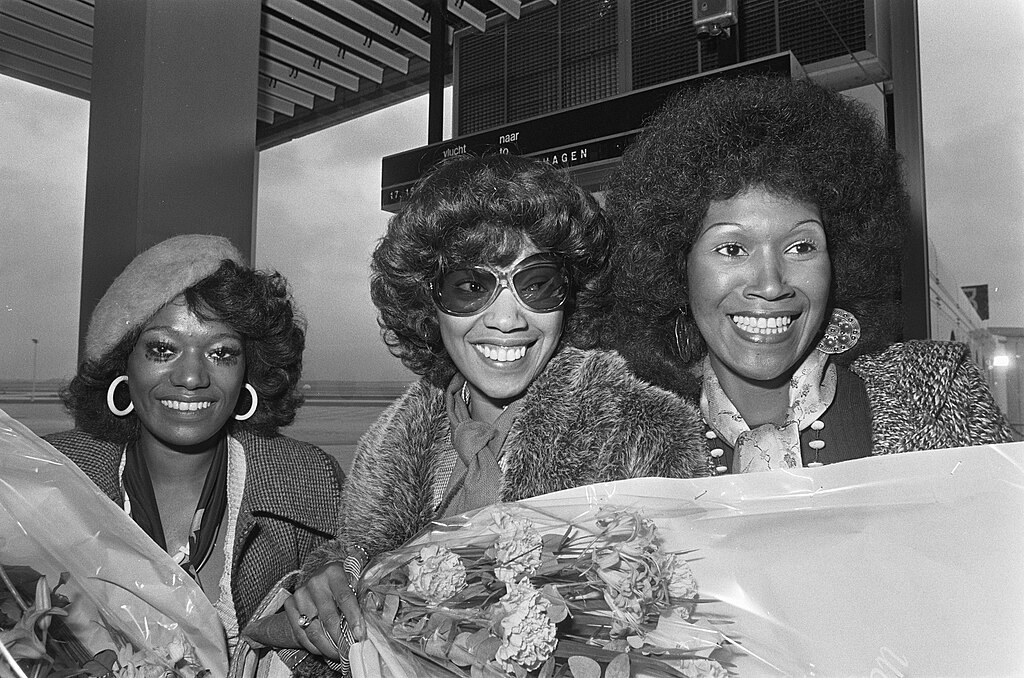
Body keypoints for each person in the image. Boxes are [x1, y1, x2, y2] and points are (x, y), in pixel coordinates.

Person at [273, 154, 708, 664]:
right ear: (428, 302)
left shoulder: (644, 435)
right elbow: (355, 578)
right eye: (471, 287)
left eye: (537, 284)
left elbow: (677, 641)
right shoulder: (384, 451)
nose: (506, 319)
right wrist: (327, 582)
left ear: (570, 298)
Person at [600, 74, 1013, 476]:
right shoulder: (624, 443)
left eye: (801, 247)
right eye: (731, 248)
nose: (770, 284)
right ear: (676, 267)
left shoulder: (931, 397)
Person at [46, 234, 344, 648]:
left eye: (221, 354)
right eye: (163, 349)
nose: (191, 377)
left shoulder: (312, 482)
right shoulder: (48, 477)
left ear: (248, 373)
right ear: (122, 364)